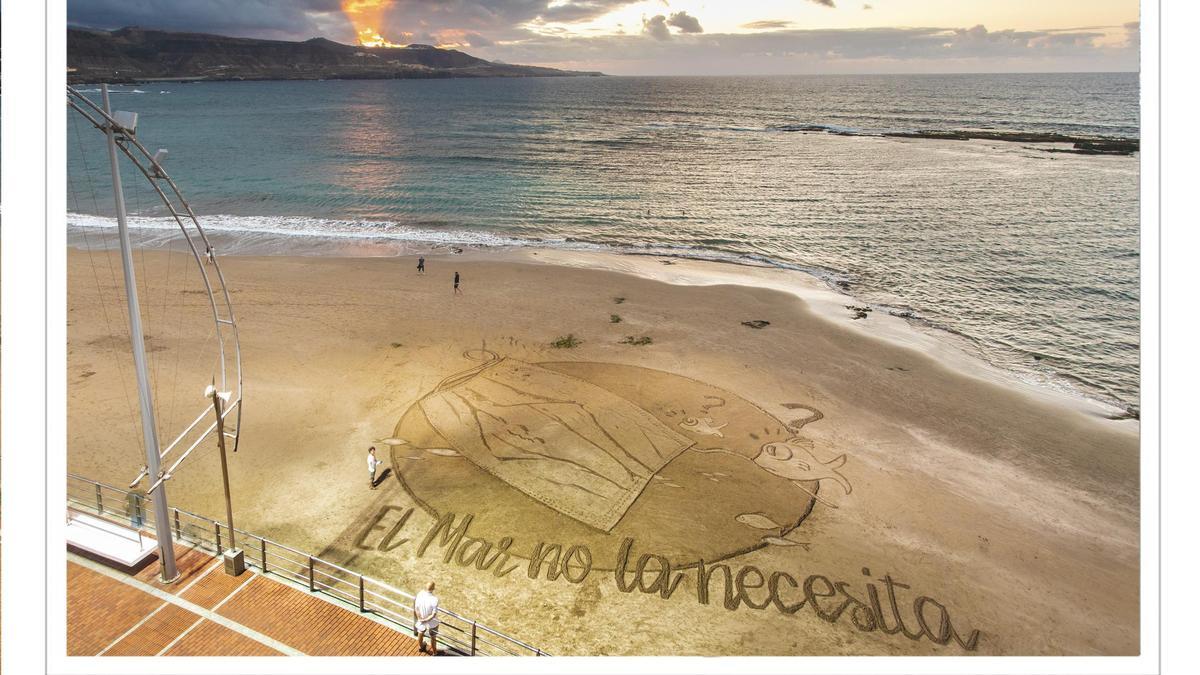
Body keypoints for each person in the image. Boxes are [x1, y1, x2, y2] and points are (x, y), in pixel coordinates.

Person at [414, 581, 440, 654]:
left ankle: (421, 647)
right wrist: (425, 620)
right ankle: (435, 653)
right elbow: (433, 615)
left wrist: (420, 619)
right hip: (432, 622)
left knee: (420, 632)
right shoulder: (435, 599)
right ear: (434, 588)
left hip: (421, 619)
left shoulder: (420, 594)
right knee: (433, 637)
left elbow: (417, 609)